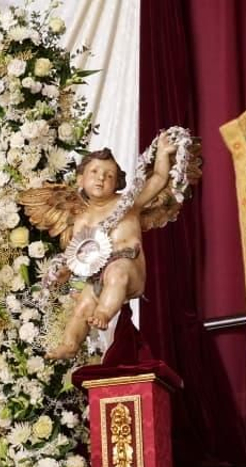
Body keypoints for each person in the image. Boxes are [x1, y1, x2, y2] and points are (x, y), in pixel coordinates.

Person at [17, 128, 201, 359]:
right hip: (96, 272)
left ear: (117, 184)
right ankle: (70, 344)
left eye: (109, 175)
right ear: (80, 180)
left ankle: (104, 312)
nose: (101, 177)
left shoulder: (128, 203)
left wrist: (163, 154)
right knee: (83, 305)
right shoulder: (82, 219)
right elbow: (75, 254)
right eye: (94, 172)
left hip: (127, 263)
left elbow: (158, 180)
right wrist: (63, 274)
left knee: (117, 274)